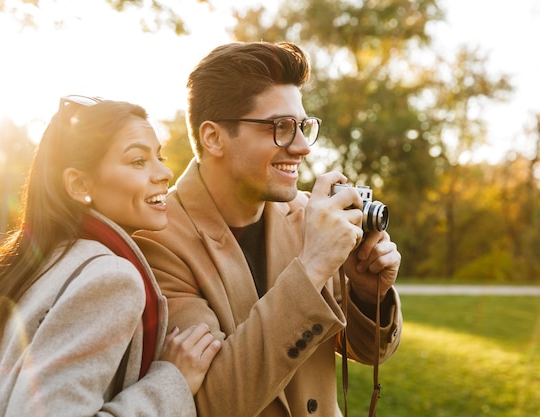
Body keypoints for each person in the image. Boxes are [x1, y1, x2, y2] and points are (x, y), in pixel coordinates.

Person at [134, 41, 403, 417]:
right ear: (213, 138)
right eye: (280, 127)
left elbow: (370, 351)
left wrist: (366, 294)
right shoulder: (156, 241)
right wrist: (312, 268)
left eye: (304, 127)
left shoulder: (309, 214)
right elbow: (216, 402)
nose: (302, 147)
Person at [0, 95, 221, 416]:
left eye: (159, 157)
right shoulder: (109, 278)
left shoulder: (37, 263)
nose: (164, 171)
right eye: (138, 161)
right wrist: (171, 382)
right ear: (79, 184)